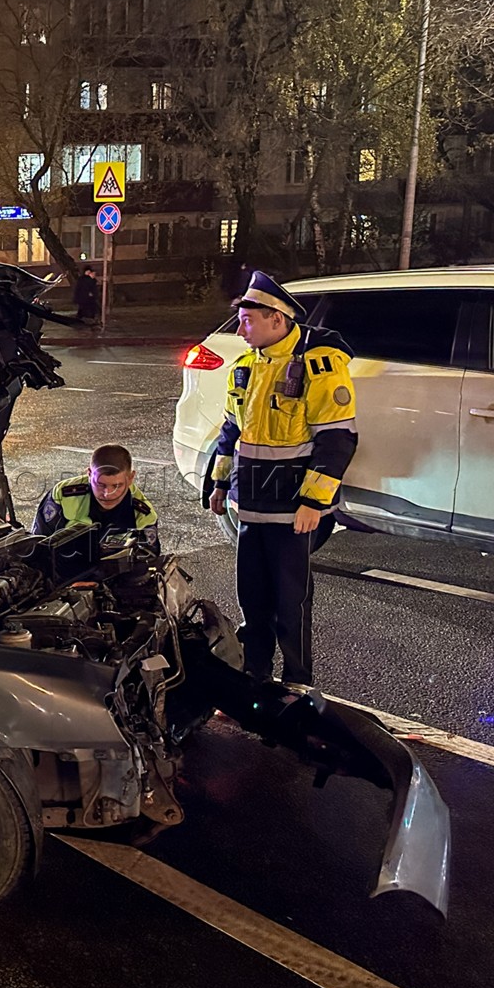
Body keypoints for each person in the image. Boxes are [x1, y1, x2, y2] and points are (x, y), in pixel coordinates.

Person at [205, 272, 357, 687]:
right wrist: (220, 486)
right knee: (252, 600)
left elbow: (337, 440)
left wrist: (313, 502)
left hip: (293, 510)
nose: (240, 329)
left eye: (248, 320)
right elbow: (229, 434)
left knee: (291, 603)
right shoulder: (245, 367)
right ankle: (256, 676)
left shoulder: (318, 366)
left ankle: (297, 683)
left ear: (277, 319)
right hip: (251, 505)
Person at [32, 443, 159, 554]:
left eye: (117, 485)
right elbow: (37, 546)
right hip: (61, 573)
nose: (107, 494)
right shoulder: (63, 495)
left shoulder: (143, 514)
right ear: (89, 474)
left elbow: (148, 559)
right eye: (100, 484)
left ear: (130, 478)